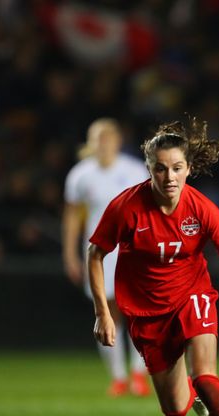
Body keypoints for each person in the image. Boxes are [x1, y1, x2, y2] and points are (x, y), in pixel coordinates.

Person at [88, 118, 219, 416]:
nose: (169, 177)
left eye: (177, 168)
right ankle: (189, 388)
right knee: (174, 412)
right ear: (149, 168)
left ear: (188, 168)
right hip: (147, 310)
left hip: (191, 296)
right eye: (160, 168)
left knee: (207, 380)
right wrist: (103, 312)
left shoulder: (201, 208)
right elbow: (96, 254)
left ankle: (202, 386)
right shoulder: (127, 207)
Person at [62, 118, 152, 396]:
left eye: (108, 138)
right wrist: (69, 255)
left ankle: (139, 373)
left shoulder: (136, 170)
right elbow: (72, 217)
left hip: (135, 250)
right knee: (107, 311)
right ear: (90, 143)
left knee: (141, 312)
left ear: (117, 141)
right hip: (100, 253)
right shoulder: (80, 175)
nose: (103, 144)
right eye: (97, 138)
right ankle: (118, 377)